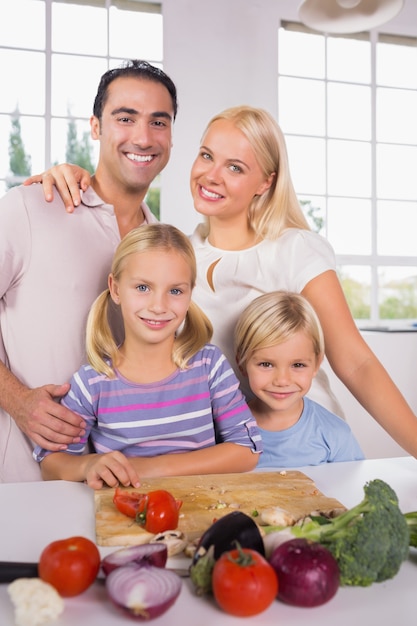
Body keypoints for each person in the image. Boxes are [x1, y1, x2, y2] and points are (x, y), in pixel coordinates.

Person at [28, 106, 417, 459]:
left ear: (265, 182)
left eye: (235, 167)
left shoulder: (295, 250)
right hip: (224, 453)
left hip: (301, 444)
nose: (211, 175)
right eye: (207, 156)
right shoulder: (179, 255)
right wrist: (71, 178)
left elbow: (358, 363)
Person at [0, 59, 178, 482]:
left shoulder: (165, 251)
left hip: (128, 490)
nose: (143, 136)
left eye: (159, 121)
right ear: (96, 126)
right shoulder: (29, 209)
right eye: (125, 118)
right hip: (23, 484)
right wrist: (17, 399)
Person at [33, 223, 261, 489]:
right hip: (123, 518)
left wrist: (152, 468)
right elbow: (51, 462)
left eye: (175, 291)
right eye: (143, 288)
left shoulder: (209, 365)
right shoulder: (92, 382)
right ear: (116, 289)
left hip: (204, 510)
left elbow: (247, 450)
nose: (158, 306)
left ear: (189, 294)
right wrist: (88, 464)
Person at [234, 291, 364, 468]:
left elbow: (355, 489)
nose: (282, 381)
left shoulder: (335, 434)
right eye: (266, 364)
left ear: (316, 364)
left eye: (297, 365)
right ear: (241, 363)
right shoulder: (225, 429)